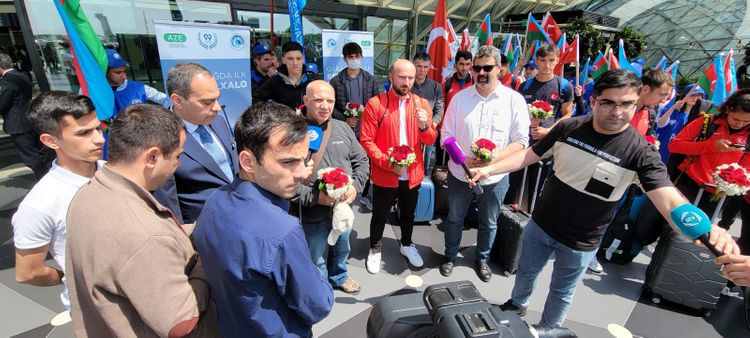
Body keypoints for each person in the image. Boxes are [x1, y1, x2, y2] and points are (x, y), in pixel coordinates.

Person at [467, 69, 739, 328]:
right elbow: (529, 155)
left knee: (562, 291)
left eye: (626, 104)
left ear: (636, 103)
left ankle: (550, 328)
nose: (617, 112)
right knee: (525, 273)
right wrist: (489, 169)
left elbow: (668, 198)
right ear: (593, 100)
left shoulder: (640, 152)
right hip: (541, 225)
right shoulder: (568, 128)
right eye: (608, 103)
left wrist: (704, 229)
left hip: (582, 241)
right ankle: (517, 304)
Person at [65, 104, 218, 337]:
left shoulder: (90, 191)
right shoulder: (144, 234)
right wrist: (206, 260)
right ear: (152, 157)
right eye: (177, 156)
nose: (178, 164)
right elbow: (181, 322)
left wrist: (201, 228)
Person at [193, 102, 334, 337]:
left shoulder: (214, 200)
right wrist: (319, 277)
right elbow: (318, 306)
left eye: (304, 158)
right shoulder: (281, 231)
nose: (302, 172)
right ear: (248, 161)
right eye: (288, 162)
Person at [439, 45, 530, 281]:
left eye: (487, 68)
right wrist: (462, 158)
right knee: (454, 218)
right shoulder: (460, 99)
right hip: (460, 174)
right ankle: (449, 256)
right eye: (476, 67)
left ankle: (482, 259)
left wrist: (490, 161)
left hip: (495, 176)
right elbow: (446, 135)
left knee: (489, 222)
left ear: (499, 69)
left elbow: (521, 141)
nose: (480, 72)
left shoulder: (514, 100)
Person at [12, 92, 103, 311]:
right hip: (95, 310)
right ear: (50, 140)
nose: (99, 138)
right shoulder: (40, 204)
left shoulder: (116, 171)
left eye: (98, 128)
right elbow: (28, 272)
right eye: (84, 133)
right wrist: (70, 279)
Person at [291, 80, 369, 294]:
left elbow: (361, 161)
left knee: (342, 248)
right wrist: (316, 198)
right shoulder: (290, 133)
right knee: (316, 256)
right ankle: (320, 289)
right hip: (312, 214)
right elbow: (285, 181)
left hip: (343, 210)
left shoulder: (343, 127)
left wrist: (355, 188)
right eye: (318, 100)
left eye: (330, 101)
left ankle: (340, 276)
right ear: (305, 100)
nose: (325, 106)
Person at [359, 59, 437, 274]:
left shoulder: (422, 105)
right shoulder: (376, 104)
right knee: (380, 213)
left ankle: (406, 244)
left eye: (411, 77)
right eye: (402, 77)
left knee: (408, 213)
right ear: (391, 77)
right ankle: (375, 248)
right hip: (386, 174)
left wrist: (424, 126)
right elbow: (367, 140)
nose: (407, 81)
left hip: (412, 174)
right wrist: (387, 163)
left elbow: (430, 140)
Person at [153, 62, 238, 224]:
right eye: (207, 102)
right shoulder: (160, 139)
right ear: (177, 100)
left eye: (217, 99)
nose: (217, 108)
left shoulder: (219, 121)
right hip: (202, 231)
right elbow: (167, 204)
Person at [668, 88, 750, 221]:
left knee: (696, 232)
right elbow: (674, 146)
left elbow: (746, 170)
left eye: (746, 122)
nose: (739, 124)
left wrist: (734, 179)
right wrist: (711, 146)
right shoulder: (707, 122)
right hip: (688, 182)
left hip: (717, 193)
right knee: (672, 227)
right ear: (728, 109)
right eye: (736, 119)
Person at [0, 52, 53, 179]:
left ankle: (44, 179)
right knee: (42, 151)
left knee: (30, 155)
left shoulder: (7, 81)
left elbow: (2, 104)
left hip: (17, 124)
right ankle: (50, 174)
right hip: (30, 118)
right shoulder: (22, 75)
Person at [329, 42, 380, 132]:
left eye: (357, 56)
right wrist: (345, 119)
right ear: (345, 59)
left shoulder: (370, 80)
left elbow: (377, 103)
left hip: (366, 128)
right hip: (344, 128)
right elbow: (330, 105)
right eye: (351, 57)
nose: (354, 59)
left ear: (362, 57)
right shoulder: (336, 81)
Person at [654, 84, 711, 163]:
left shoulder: (700, 118)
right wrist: (673, 108)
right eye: (692, 95)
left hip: (677, 155)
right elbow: (660, 124)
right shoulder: (673, 110)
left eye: (699, 96)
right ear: (685, 96)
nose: (695, 98)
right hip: (662, 149)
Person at [254, 41, 319, 109]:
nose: (295, 63)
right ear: (283, 59)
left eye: (298, 58)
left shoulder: (313, 80)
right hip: (284, 119)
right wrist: (273, 115)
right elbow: (256, 99)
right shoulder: (275, 80)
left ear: (303, 59)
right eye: (290, 59)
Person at [105, 49, 169, 115]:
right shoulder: (97, 92)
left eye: (124, 71)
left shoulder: (140, 88)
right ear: (105, 71)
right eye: (118, 73)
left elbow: (166, 99)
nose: (124, 76)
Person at [411, 52, 444, 173]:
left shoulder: (436, 87)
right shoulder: (406, 84)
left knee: (425, 163)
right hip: (410, 132)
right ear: (413, 65)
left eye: (426, 67)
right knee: (408, 160)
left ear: (429, 67)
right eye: (419, 66)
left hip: (428, 132)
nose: (422, 70)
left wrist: (432, 125)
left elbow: (439, 110)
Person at [631, 69, 674, 138]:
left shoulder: (651, 114)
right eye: (662, 95)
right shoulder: (619, 110)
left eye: (666, 96)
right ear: (646, 89)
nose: (663, 101)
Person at [441, 50, 474, 120]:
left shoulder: (475, 84)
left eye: (467, 64)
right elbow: (440, 109)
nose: (464, 68)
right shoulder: (446, 84)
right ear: (455, 65)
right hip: (450, 127)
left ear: (471, 65)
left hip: (467, 127)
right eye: (461, 64)